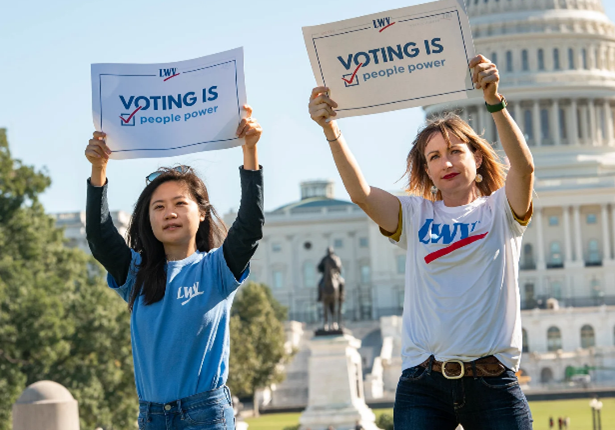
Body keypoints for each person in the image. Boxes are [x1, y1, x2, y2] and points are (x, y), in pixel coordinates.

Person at [308, 55, 534, 429]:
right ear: (426, 171)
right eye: (435, 157)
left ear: (477, 157)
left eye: (455, 151)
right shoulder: (414, 216)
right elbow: (361, 194)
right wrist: (331, 129)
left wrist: (494, 101)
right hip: (423, 383)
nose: (446, 162)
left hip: (492, 380)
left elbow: (523, 169)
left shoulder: (502, 211)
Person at [84, 105, 264, 430]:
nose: (170, 213)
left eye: (180, 203)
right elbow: (98, 236)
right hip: (151, 417)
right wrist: (99, 169)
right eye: (159, 207)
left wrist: (249, 150)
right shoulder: (135, 273)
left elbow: (250, 227)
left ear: (202, 213)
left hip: (205, 415)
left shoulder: (218, 269)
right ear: (148, 219)